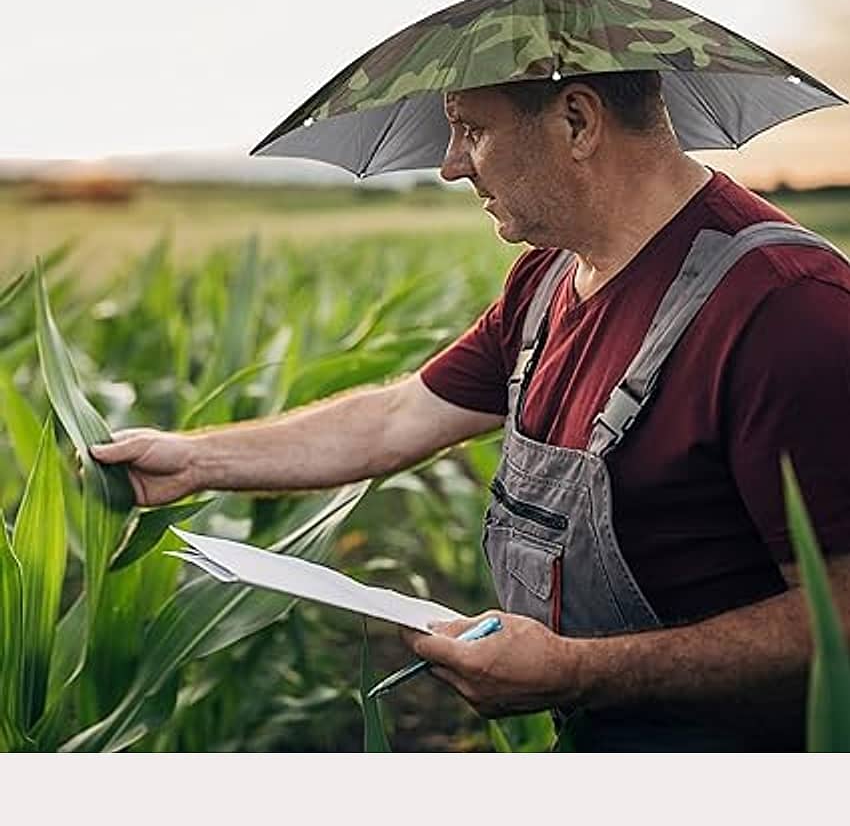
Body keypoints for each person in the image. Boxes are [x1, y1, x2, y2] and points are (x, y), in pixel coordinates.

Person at [90, 70, 850, 751]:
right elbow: (397, 417)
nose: (452, 163)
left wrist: (578, 671)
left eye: (472, 129)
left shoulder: (787, 310)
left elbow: (841, 619)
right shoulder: (547, 283)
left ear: (577, 121)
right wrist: (194, 460)